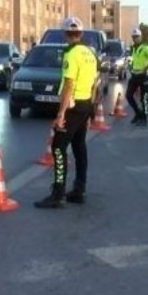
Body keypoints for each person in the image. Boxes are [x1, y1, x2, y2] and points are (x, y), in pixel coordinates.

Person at [35, 16, 99, 209]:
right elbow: (95, 83)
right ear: (81, 33)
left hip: (72, 106)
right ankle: (79, 190)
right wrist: (91, 108)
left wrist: (61, 114)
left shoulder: (71, 54)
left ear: (65, 34)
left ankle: (58, 193)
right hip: (86, 104)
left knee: (58, 147)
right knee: (79, 147)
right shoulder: (90, 53)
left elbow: (69, 85)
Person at [126, 28, 148, 126]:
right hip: (135, 75)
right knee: (128, 95)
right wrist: (130, 66)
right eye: (134, 37)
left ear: (141, 37)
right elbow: (130, 60)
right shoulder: (132, 48)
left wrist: (146, 68)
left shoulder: (146, 47)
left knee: (144, 98)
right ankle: (138, 114)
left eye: (137, 37)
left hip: (144, 76)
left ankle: (144, 118)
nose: (135, 39)